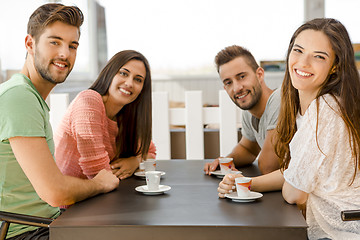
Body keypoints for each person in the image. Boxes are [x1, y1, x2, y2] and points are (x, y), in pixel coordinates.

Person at [0, 4, 119, 239]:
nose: (65, 53)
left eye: (72, 45)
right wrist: (100, 184)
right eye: (54, 42)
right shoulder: (19, 96)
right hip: (24, 231)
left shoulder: (30, 97)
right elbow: (54, 192)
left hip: (49, 223)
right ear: (30, 44)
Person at [276, 18, 360, 239]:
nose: (303, 63)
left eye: (318, 56)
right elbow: (293, 174)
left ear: (335, 66)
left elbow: (295, 193)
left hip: (342, 233)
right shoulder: (315, 107)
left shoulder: (326, 109)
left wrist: (293, 185)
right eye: (298, 50)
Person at [54, 50, 156, 182]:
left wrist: (135, 161)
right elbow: (96, 172)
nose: (129, 83)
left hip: (100, 195)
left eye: (138, 80)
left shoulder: (125, 117)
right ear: (110, 73)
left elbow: (150, 152)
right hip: (71, 199)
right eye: (124, 73)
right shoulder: (89, 101)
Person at [204, 45, 281, 177]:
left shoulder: (279, 100)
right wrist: (225, 161)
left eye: (241, 76)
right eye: (229, 82)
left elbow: (269, 168)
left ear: (260, 74)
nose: (237, 88)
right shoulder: (249, 111)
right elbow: (248, 149)